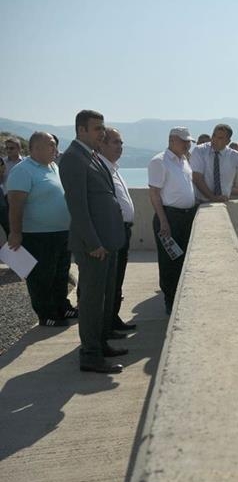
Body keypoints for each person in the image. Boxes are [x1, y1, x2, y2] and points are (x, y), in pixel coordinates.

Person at [60, 109, 127, 374]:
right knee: (91, 301)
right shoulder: (73, 158)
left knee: (104, 298)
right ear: (81, 130)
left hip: (107, 242)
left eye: (103, 127)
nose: (103, 132)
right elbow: (78, 207)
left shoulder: (92, 155)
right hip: (94, 246)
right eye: (97, 128)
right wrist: (92, 243)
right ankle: (90, 354)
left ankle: (100, 344)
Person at [6, 131, 76, 327]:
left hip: (61, 232)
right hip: (37, 235)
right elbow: (15, 205)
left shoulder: (53, 166)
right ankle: (47, 314)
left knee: (61, 273)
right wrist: (15, 233)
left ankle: (62, 307)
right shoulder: (23, 170)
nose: (55, 148)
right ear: (36, 148)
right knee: (42, 276)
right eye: (51, 144)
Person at [148, 127, 198, 315]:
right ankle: (170, 300)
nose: (187, 145)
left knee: (185, 259)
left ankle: (182, 298)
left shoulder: (184, 160)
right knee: (170, 260)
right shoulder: (159, 161)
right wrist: (163, 221)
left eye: (189, 141)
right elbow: (154, 193)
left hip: (187, 216)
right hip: (170, 217)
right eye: (184, 141)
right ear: (172, 140)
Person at [98, 127, 137, 331]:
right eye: (115, 142)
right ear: (102, 144)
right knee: (109, 280)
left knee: (117, 277)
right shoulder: (100, 169)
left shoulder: (113, 168)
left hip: (122, 230)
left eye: (121, 142)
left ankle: (113, 318)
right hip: (111, 231)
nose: (120, 146)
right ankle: (106, 324)